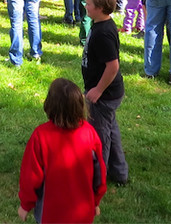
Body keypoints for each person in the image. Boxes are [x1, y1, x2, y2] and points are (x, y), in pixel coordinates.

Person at [18, 78, 106, 224]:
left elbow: (30, 176)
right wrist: (95, 201)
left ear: (50, 105)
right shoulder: (90, 133)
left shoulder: (40, 136)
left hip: (51, 214)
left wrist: (25, 204)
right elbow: (99, 174)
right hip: (82, 213)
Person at [82, 0, 128, 186]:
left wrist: (98, 90)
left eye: (89, 4)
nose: (86, 6)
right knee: (111, 131)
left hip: (104, 94)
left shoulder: (103, 33)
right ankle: (119, 172)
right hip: (105, 92)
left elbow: (113, 66)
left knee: (100, 137)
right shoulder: (100, 24)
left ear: (100, 8)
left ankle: (97, 179)